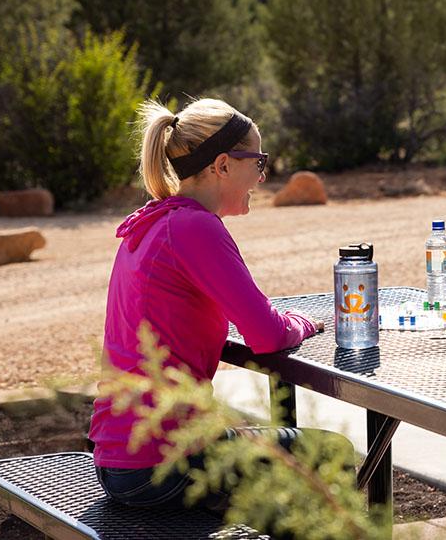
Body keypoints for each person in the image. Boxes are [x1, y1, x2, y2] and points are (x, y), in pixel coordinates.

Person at [90, 98, 337, 511]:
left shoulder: (155, 220)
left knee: (274, 465)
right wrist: (303, 323)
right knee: (329, 453)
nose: (261, 176)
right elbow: (268, 335)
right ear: (222, 165)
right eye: (258, 162)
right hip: (163, 462)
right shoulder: (195, 227)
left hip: (122, 456)